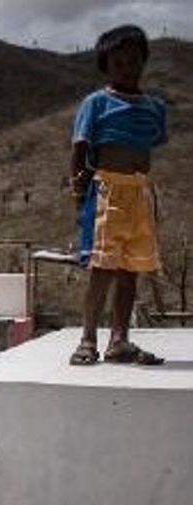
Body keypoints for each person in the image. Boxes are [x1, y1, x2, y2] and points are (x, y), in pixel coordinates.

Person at [69, 24, 167, 366]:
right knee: (102, 268)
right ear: (106, 66)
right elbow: (80, 150)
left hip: (139, 194)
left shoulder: (155, 108)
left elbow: (152, 144)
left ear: (144, 60)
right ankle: (87, 340)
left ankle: (120, 340)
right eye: (118, 62)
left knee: (131, 269)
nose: (127, 67)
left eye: (134, 60)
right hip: (106, 191)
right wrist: (79, 194)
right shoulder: (95, 103)